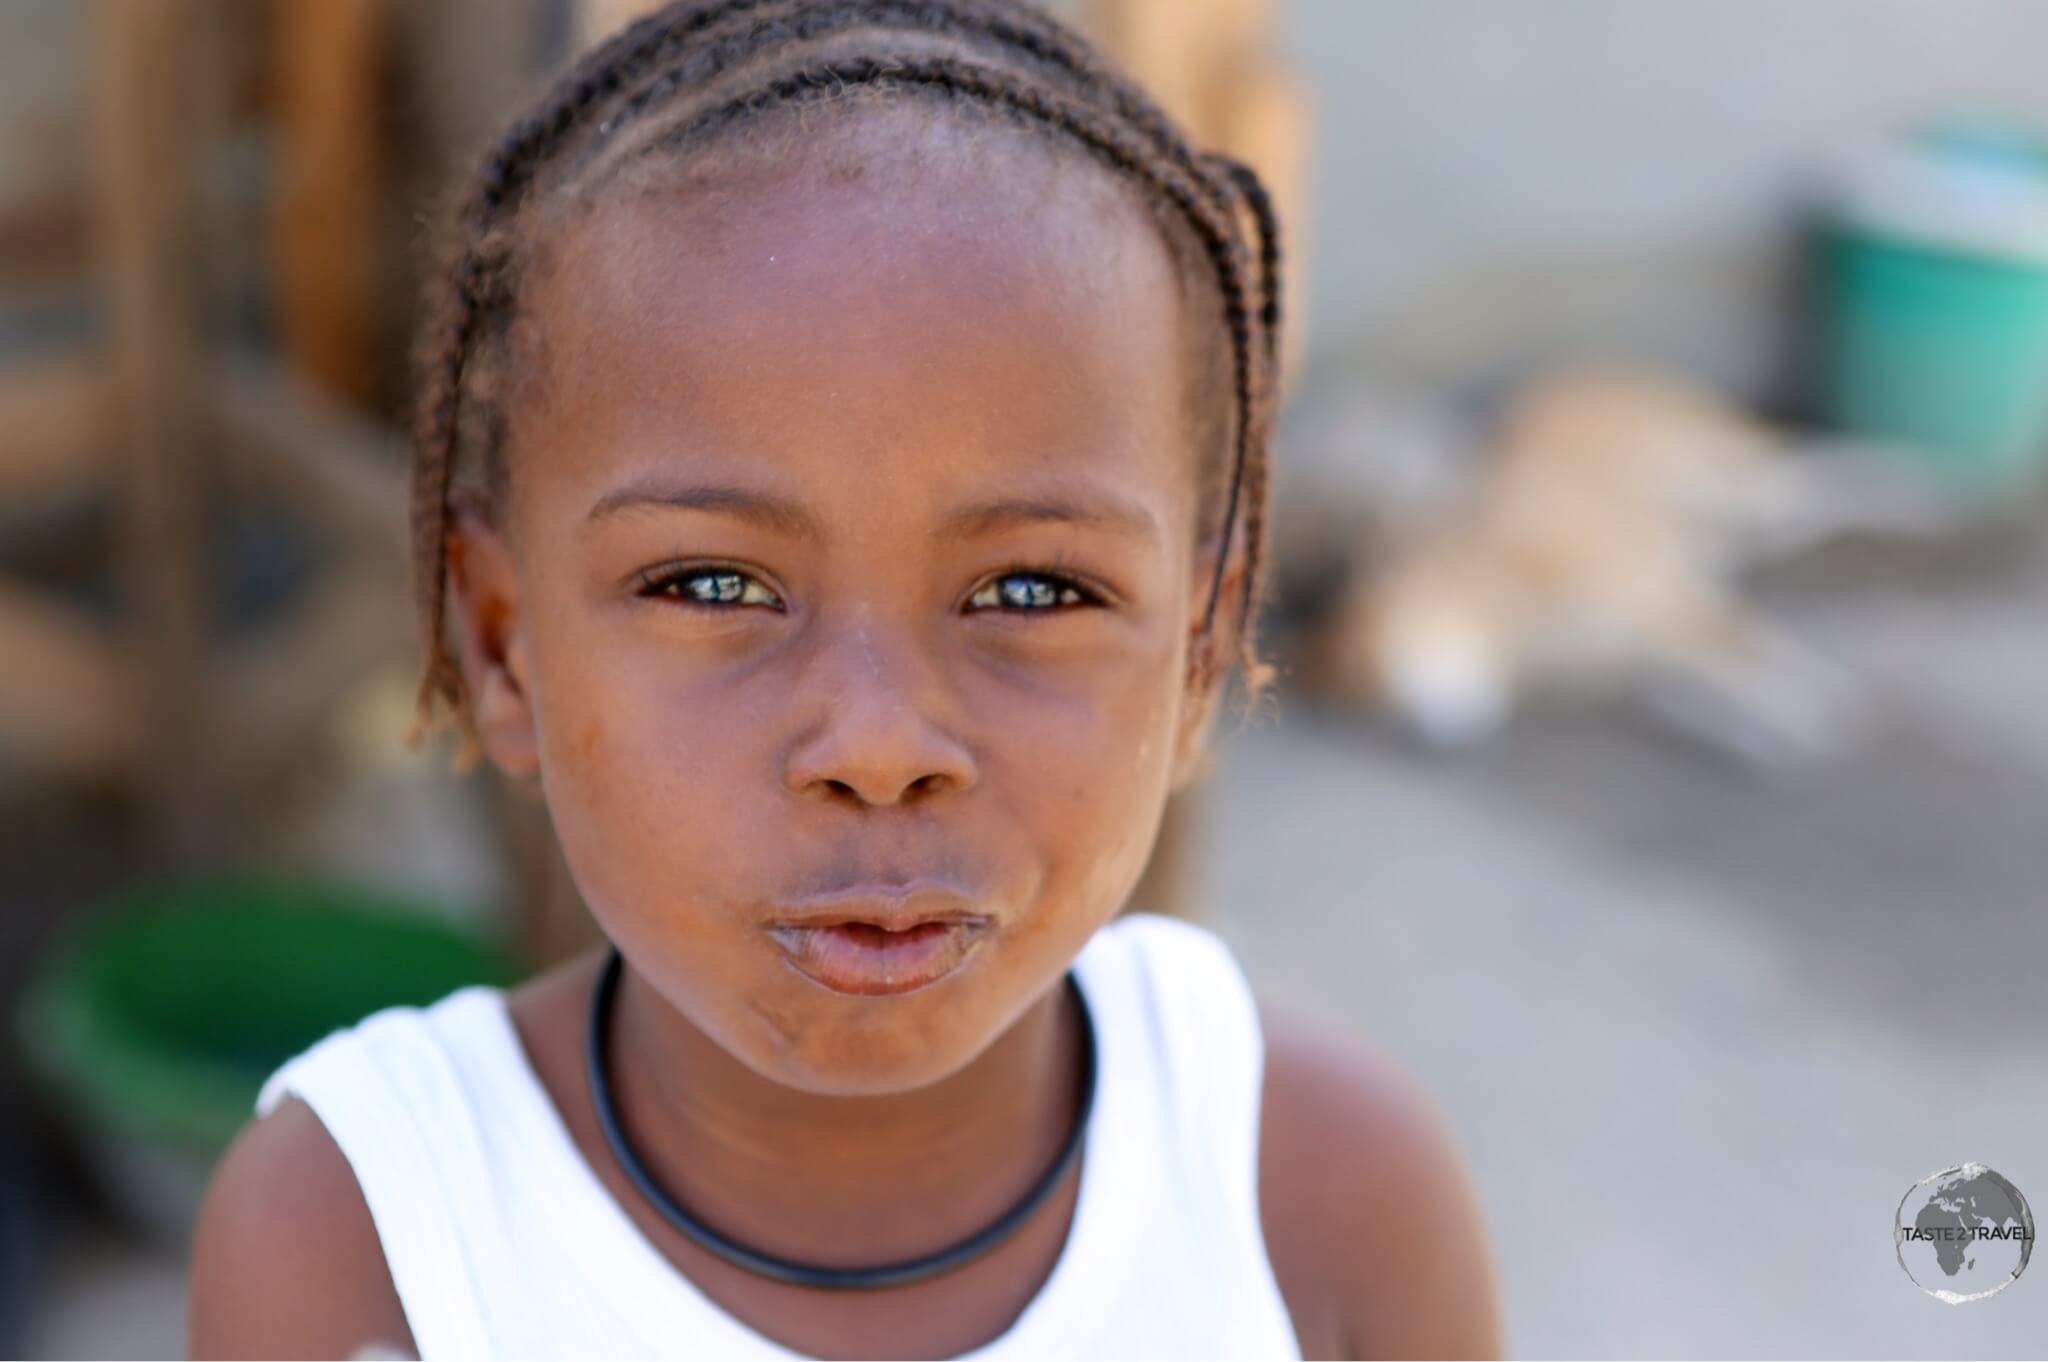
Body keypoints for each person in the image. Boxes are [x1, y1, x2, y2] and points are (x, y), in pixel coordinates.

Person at [187, 2, 1503, 1357]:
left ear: (1198, 650)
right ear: (505, 642)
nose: (878, 743)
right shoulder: (372, 1243)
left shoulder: (1321, 1203)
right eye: (712, 584)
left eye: (1033, 589)